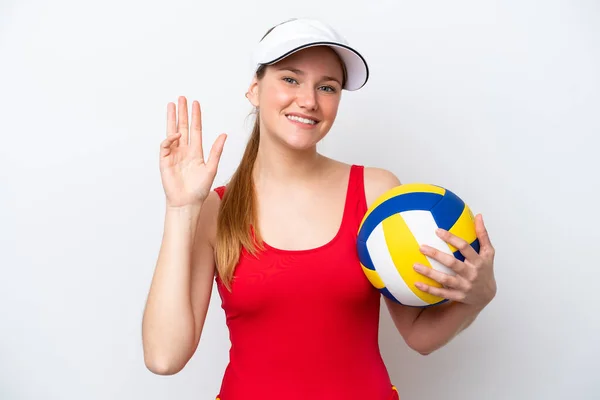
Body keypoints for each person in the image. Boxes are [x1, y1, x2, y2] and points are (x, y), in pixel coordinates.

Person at [141, 18, 497, 400]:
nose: (309, 100)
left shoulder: (377, 193)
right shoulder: (214, 209)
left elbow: (419, 336)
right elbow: (164, 357)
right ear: (254, 90)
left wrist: (480, 294)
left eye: (327, 87)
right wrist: (180, 209)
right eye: (291, 79)